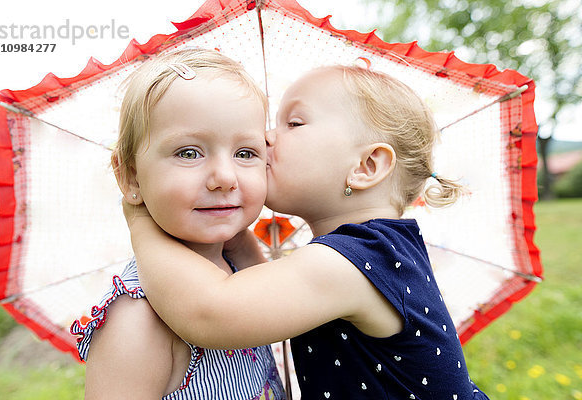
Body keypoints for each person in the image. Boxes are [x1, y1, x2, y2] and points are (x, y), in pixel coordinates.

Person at [125, 65, 490, 399]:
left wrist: (142, 224)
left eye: (293, 123)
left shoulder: (355, 261)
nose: (266, 137)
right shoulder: (377, 251)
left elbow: (211, 313)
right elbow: (264, 300)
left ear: (366, 166)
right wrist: (236, 240)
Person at [70, 48, 285, 400]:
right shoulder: (139, 318)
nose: (224, 178)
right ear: (132, 178)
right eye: (189, 153)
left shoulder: (240, 267)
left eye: (245, 153)